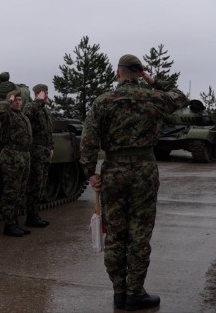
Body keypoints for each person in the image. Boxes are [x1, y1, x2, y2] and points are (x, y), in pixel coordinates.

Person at [80, 54, 188, 311]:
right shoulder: (155, 98)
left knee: (116, 235)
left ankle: (118, 293)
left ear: (118, 73)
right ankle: (135, 293)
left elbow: (88, 141)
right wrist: (152, 80)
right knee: (139, 235)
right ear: (140, 73)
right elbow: (180, 97)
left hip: (114, 172)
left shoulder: (103, 101)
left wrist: (90, 173)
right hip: (144, 171)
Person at [0, 89, 32, 237]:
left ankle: (15, 221)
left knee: (20, 191)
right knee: (11, 191)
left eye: (19, 99)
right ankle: (9, 225)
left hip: (24, 155)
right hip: (12, 156)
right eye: (15, 99)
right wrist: (7, 100)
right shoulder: (7, 114)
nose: (18, 102)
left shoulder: (22, 116)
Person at [22, 83, 54, 228]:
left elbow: (49, 131)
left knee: (41, 184)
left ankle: (35, 214)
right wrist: (38, 101)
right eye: (45, 93)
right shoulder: (31, 106)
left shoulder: (45, 111)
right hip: (35, 151)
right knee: (34, 184)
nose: (47, 95)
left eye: (47, 92)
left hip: (45, 151)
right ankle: (31, 216)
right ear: (38, 93)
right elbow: (26, 116)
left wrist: (51, 147)